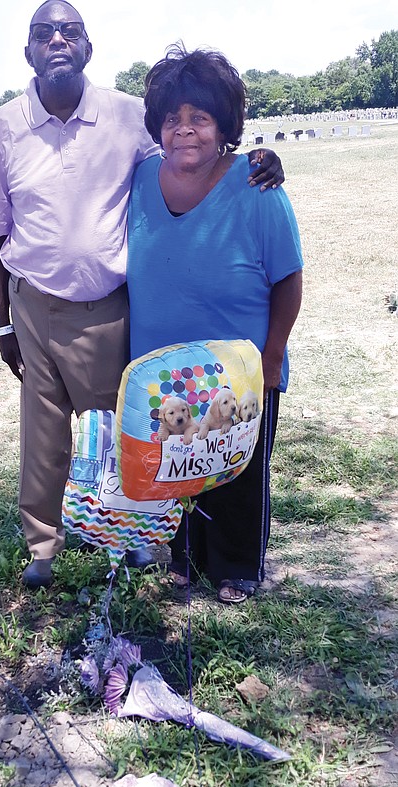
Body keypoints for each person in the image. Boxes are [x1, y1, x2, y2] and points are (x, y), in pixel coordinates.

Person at [0, 3, 285, 589]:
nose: (58, 40)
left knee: (126, 430)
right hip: (31, 303)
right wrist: (2, 323)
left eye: (71, 31)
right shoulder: (0, 126)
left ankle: (139, 536)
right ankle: (43, 547)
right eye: (44, 33)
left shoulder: (125, 116)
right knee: (41, 437)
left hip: (106, 308)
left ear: (89, 49)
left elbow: (188, 154)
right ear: (28, 53)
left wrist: (256, 159)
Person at [126, 46, 303, 603]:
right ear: (157, 125)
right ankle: (185, 556)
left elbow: (288, 280)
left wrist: (272, 359)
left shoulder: (257, 188)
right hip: (166, 373)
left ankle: (236, 566)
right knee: (177, 462)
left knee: (237, 469)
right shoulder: (139, 178)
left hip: (239, 372)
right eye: (173, 119)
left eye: (200, 118)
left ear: (223, 125)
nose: (186, 131)